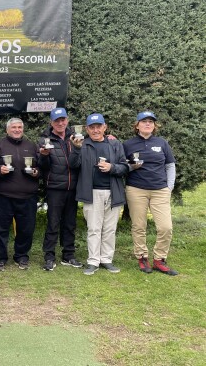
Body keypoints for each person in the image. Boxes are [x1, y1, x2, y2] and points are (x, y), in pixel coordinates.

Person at [69, 113, 129, 275]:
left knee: (109, 229)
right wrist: (75, 148)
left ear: (104, 127)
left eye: (98, 127)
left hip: (113, 191)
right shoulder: (83, 144)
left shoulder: (115, 144)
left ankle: (106, 260)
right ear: (87, 129)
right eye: (92, 127)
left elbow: (125, 167)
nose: (95, 130)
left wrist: (112, 168)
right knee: (94, 229)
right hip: (92, 193)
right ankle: (93, 261)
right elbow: (73, 165)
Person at [123, 111, 178, 275]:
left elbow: (170, 165)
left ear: (154, 126)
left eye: (151, 122)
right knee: (139, 226)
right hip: (136, 189)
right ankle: (142, 257)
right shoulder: (128, 144)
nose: (148, 124)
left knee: (165, 227)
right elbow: (122, 164)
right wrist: (131, 164)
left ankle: (159, 260)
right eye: (144, 121)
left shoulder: (162, 143)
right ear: (137, 125)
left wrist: (169, 186)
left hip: (160, 190)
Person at [0, 118, 40, 271]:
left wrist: (36, 172)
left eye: (20, 127)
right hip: (1, 196)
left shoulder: (31, 145)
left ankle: (22, 256)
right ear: (7, 130)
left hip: (27, 196)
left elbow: (40, 166)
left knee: (26, 229)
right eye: (14, 127)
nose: (17, 130)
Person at [38, 108, 82, 271]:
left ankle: (68, 255)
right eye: (57, 121)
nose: (60, 123)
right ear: (51, 123)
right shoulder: (45, 139)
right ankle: (49, 256)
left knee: (70, 224)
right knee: (53, 223)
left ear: (67, 120)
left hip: (73, 187)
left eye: (63, 120)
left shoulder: (75, 138)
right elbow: (42, 166)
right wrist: (43, 155)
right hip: (55, 188)